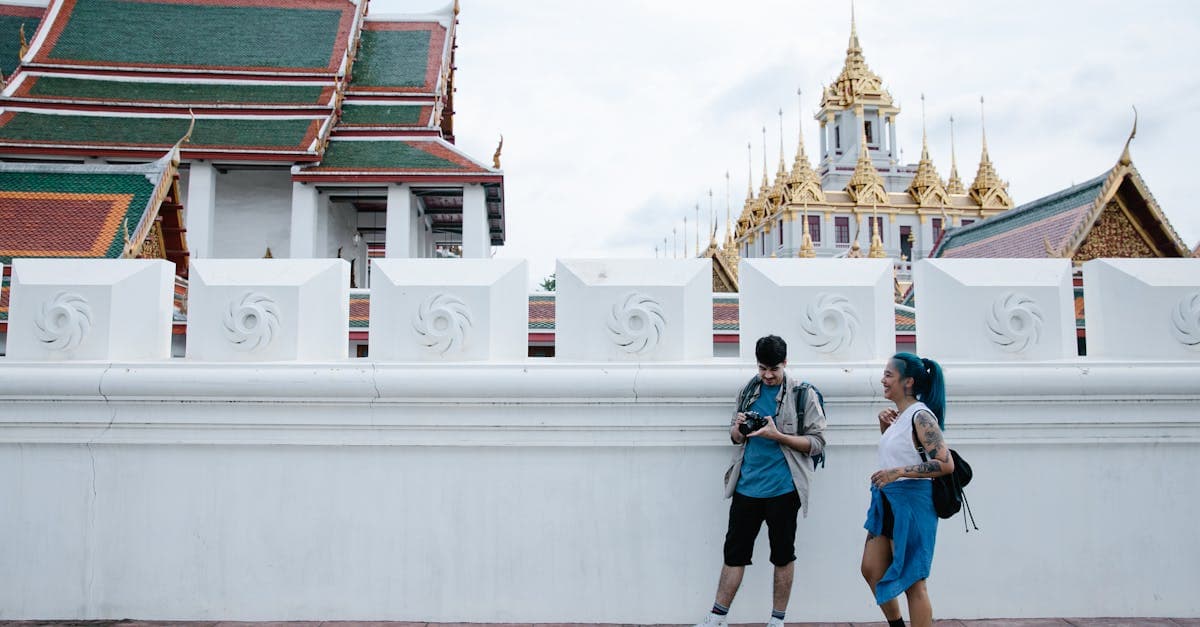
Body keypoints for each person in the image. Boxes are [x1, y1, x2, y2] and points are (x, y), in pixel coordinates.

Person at [694, 335, 827, 627]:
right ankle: (717, 617)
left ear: (785, 364)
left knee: (782, 555)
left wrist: (777, 435)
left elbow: (817, 442)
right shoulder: (748, 391)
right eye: (762, 368)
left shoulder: (802, 395)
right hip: (746, 487)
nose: (767, 375)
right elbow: (734, 437)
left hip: (783, 489)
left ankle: (777, 621)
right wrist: (739, 430)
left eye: (773, 369)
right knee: (734, 554)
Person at [860, 352, 954, 627]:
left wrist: (898, 473)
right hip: (888, 501)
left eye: (889, 375)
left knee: (914, 581)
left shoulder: (921, 416)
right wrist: (884, 428)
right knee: (872, 569)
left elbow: (944, 463)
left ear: (908, 381)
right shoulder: (901, 416)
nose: (883, 380)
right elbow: (902, 453)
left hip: (913, 502)